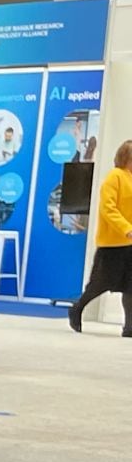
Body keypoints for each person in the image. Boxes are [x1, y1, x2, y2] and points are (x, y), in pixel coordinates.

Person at [69, 140, 132, 334]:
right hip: (114, 242)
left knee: (131, 287)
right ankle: (77, 308)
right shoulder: (115, 177)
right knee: (100, 283)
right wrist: (126, 228)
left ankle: (129, 327)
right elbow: (108, 208)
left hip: (130, 242)